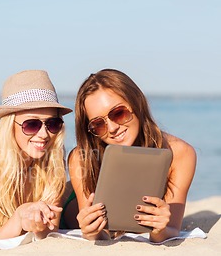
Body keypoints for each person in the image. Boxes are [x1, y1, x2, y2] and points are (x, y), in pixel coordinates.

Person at [68, 69, 196, 242]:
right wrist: (92, 232)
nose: (112, 128)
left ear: (137, 103)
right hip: (65, 207)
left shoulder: (180, 153)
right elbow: (98, 234)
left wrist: (160, 230)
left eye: (118, 113)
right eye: (98, 124)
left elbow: (172, 229)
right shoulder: (82, 158)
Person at [0, 70, 72, 239]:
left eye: (53, 123)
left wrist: (37, 224)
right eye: (32, 125)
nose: (44, 134)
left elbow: (49, 231)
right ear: (10, 125)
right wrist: (19, 218)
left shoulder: (53, 157)